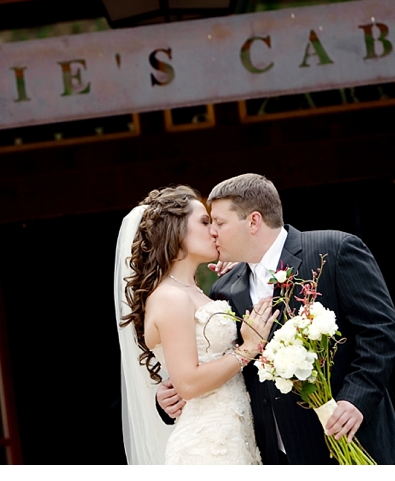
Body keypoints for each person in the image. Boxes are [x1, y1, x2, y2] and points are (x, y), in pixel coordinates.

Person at [157, 173, 395, 465]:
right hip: (281, 456)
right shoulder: (224, 289)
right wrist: (172, 396)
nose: (212, 231)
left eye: (220, 223)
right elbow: (225, 362)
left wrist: (356, 400)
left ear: (253, 221)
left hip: (356, 441)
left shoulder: (335, 250)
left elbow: (380, 331)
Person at [114, 185, 277, 464]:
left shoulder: (199, 292)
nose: (214, 230)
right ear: (175, 230)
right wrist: (246, 350)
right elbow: (187, 382)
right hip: (208, 446)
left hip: (237, 434)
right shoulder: (170, 297)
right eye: (204, 222)